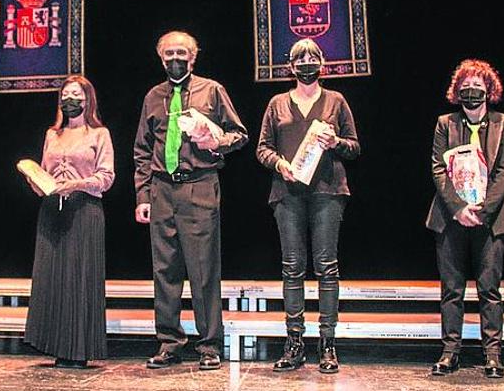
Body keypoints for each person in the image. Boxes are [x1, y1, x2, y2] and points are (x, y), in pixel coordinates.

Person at [134, 30, 248, 370]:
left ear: (193, 57)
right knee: (164, 269)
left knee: (203, 269)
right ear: (160, 57)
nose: (175, 59)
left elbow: (239, 134)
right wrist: (143, 194)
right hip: (162, 189)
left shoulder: (212, 90)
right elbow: (142, 150)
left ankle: (209, 344)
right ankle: (169, 343)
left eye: (181, 53)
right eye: (168, 53)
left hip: (199, 185)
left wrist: (214, 142)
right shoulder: (153, 96)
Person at [256, 39, 360, 373]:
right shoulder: (277, 103)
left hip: (327, 192)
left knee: (327, 266)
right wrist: (278, 164)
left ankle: (327, 344)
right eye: (300, 58)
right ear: (290, 66)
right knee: (292, 268)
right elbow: (262, 148)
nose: (306, 62)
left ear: (322, 63)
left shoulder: (336, 101)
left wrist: (337, 142)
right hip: (288, 193)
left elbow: (355, 147)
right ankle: (294, 342)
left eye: (312, 57)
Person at [426, 59, 504, 378]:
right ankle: (450, 352)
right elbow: (438, 168)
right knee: (452, 289)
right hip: (450, 219)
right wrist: (458, 209)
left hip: (492, 219)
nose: (471, 91)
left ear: (489, 90)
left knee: (489, 289)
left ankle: (493, 354)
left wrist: (482, 210)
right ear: (456, 91)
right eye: (465, 86)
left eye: (478, 85)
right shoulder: (444, 123)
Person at [24, 75, 115, 368]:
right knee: (52, 277)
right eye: (66, 94)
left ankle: (78, 349)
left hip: (84, 209)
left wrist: (76, 185)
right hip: (52, 209)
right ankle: (54, 344)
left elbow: (106, 177)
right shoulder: (53, 134)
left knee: (79, 278)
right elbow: (46, 172)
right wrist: (36, 182)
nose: (70, 99)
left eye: (76, 94)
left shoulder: (99, 134)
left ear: (87, 100)